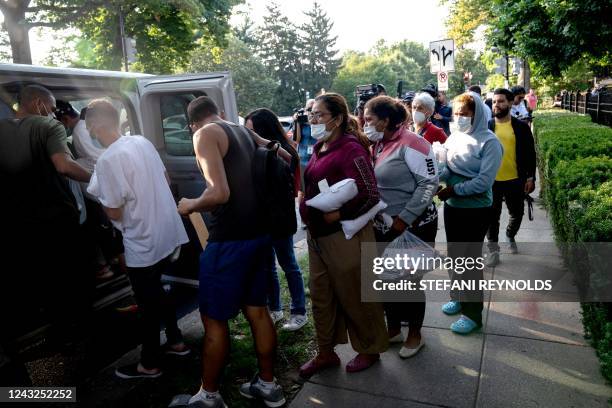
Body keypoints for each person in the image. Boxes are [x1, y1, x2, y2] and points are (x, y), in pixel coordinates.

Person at [177, 97, 286, 408]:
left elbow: (219, 192)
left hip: (229, 242)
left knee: (213, 319)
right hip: (259, 235)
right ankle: (268, 384)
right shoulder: (241, 129)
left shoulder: (204, 134)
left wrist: (189, 204)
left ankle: (208, 396)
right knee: (258, 310)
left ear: (192, 124)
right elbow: (277, 149)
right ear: (219, 113)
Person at [85, 99, 190, 380]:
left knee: (147, 304)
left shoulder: (107, 160)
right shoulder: (141, 142)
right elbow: (165, 180)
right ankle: (176, 341)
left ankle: (149, 363)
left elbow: (114, 209)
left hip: (142, 240)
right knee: (157, 289)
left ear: (95, 125)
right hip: (166, 230)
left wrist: (106, 205)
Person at [0, 85, 92, 384]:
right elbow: (64, 165)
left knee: (35, 280)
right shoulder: (47, 125)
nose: (54, 113)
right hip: (55, 220)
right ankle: (67, 358)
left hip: (17, 222)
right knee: (67, 282)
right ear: (39, 104)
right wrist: (100, 174)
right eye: (52, 108)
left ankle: (27, 352)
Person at [298, 93, 388, 377]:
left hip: (344, 237)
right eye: (311, 114)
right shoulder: (320, 146)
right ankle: (326, 352)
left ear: (337, 118)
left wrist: (338, 215)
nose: (313, 120)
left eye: (319, 115)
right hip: (317, 237)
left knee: (356, 295)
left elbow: (370, 193)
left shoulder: (351, 149)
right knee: (322, 296)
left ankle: (369, 349)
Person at [364, 96, 439, 358]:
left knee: (408, 281)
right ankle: (394, 328)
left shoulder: (414, 144)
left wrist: (404, 218)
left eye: (370, 119)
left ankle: (415, 335)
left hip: (413, 225)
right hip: (384, 225)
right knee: (386, 280)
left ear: (385, 121)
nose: (365, 123)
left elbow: (429, 185)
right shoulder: (378, 144)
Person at [436, 91, 503, 335]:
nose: (459, 118)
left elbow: (484, 182)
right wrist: (437, 178)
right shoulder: (454, 137)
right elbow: (446, 167)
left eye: (464, 114)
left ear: (477, 116)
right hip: (453, 207)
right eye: (456, 114)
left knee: (470, 262)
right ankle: (458, 297)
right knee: (455, 257)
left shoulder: (490, 142)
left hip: (476, 210)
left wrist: (454, 189)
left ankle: (472, 314)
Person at [245, 108, 308, 331]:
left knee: (289, 265)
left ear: (263, 130)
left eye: (252, 130)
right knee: (268, 267)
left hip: (280, 218)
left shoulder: (281, 149)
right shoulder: (252, 152)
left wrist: (260, 141)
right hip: (261, 220)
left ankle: (299, 311)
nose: (248, 134)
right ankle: (276, 308)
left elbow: (291, 161)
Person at [485, 88, 536, 266]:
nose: (496, 105)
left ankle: (510, 234)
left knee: (517, 214)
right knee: (491, 217)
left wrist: (531, 178)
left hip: (515, 180)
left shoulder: (521, 127)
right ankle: (493, 251)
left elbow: (530, 153)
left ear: (509, 102)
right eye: (494, 102)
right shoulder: (487, 127)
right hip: (491, 182)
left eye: (500, 101)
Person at [55, 101, 105, 173]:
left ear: (66, 119)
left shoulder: (79, 131)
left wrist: (72, 164)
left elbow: (96, 159)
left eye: (59, 123)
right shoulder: (83, 125)